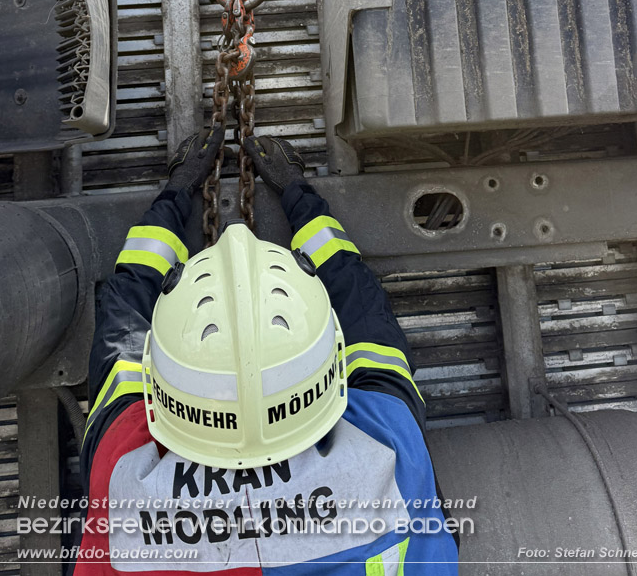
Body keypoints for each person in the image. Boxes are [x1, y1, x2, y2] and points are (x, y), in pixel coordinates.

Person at [75, 128, 459, 572]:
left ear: (165, 389)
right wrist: (298, 194)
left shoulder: (126, 478)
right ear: (327, 367)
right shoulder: (384, 449)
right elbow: (365, 317)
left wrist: (176, 192)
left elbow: (120, 328)